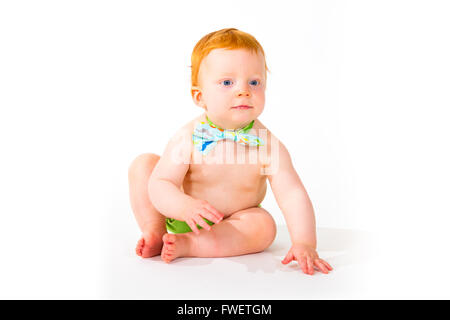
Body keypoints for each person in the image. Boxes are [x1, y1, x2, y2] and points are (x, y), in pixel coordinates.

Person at [128, 28, 332, 275]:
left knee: (264, 225)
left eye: (254, 82)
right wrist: (184, 207)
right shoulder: (189, 137)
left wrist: (305, 242)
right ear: (199, 96)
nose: (243, 90)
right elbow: (161, 183)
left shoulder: (267, 145)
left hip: (235, 224)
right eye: (227, 82)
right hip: (181, 211)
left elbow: (292, 194)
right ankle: (155, 231)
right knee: (144, 165)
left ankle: (191, 244)